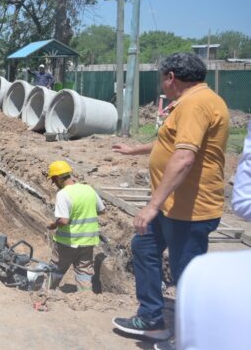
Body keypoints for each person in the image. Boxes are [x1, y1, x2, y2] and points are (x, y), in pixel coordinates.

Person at [110, 52, 229, 342]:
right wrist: (134, 150)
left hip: (190, 209)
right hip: (172, 206)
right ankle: (152, 318)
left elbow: (185, 157)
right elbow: (170, 142)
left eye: (163, 78)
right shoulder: (193, 102)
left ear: (171, 77)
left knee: (185, 273)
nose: (162, 84)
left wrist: (152, 205)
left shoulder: (196, 104)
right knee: (144, 246)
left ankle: (197, 337)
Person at [160, 122, 251, 350]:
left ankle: (178, 332)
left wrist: (154, 204)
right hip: (194, 211)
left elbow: (243, 202)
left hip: (193, 213)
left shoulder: (212, 275)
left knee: (186, 266)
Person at [45, 160, 104, 292]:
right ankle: (85, 298)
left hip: (67, 242)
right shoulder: (88, 189)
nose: (54, 184)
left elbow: (64, 220)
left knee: (57, 268)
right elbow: (101, 210)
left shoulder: (63, 194)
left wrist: (53, 225)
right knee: (84, 272)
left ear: (58, 178)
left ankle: (46, 293)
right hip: (88, 241)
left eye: (53, 180)